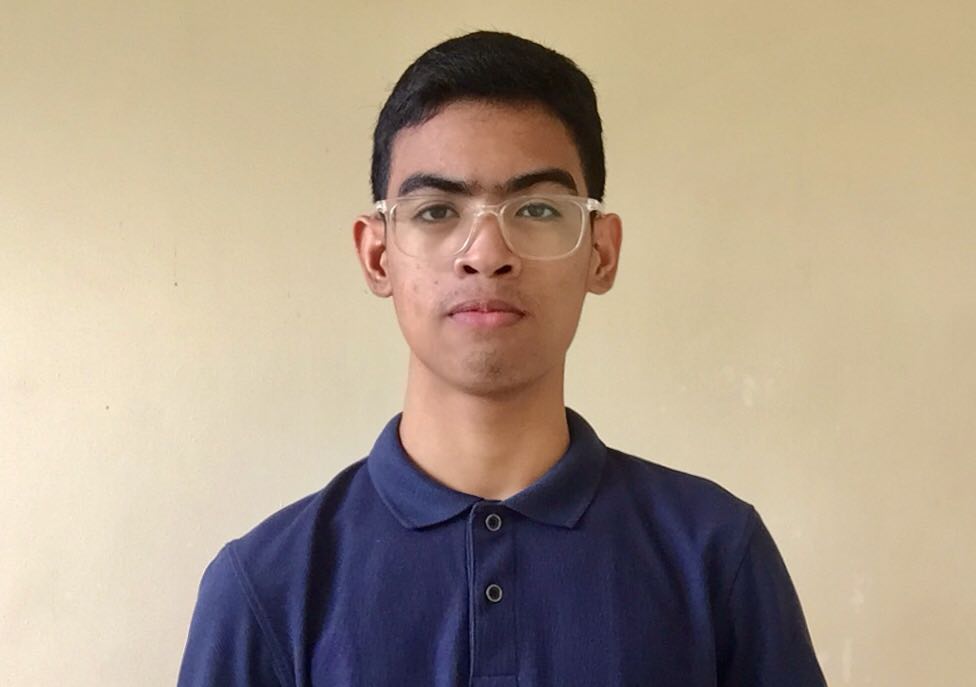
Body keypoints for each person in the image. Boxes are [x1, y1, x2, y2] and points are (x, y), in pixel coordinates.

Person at [177, 31, 827, 687]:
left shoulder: (717, 556)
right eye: (437, 210)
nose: (487, 253)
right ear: (377, 256)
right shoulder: (265, 588)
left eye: (538, 208)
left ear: (601, 251)